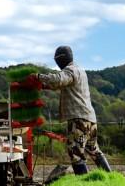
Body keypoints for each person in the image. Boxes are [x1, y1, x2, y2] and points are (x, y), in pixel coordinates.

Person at [29, 46, 112, 175]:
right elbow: (61, 85)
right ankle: (110, 178)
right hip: (90, 118)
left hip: (79, 119)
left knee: (75, 152)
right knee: (93, 149)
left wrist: (38, 77)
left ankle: (83, 183)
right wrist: (44, 86)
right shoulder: (80, 70)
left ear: (60, 59)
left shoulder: (70, 70)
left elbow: (58, 80)